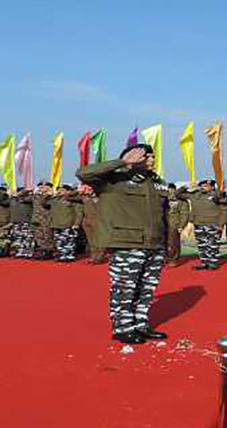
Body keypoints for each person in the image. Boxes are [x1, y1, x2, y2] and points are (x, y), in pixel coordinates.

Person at [76, 144, 169, 345]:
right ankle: (122, 328)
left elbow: (164, 215)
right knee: (125, 288)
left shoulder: (157, 183)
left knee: (146, 289)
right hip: (127, 243)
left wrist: (166, 243)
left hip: (154, 244)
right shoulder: (113, 180)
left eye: (152, 156)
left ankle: (140, 324)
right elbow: (83, 173)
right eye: (145, 156)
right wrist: (123, 162)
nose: (151, 160)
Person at [177, 180, 227, 271]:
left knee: (212, 245)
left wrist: (221, 224)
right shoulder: (195, 194)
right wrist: (186, 186)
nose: (203, 187)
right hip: (198, 223)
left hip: (212, 224)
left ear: (212, 187)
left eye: (206, 186)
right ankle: (204, 263)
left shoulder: (216, 195)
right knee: (202, 245)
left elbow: (224, 210)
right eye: (202, 186)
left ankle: (213, 263)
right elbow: (178, 194)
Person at [47, 185, 84, 262]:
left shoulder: (73, 200)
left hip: (68, 224)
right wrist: (47, 194)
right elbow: (43, 203)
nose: (60, 191)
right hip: (56, 224)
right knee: (59, 241)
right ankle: (62, 255)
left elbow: (79, 213)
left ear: (68, 191)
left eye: (62, 190)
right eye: (59, 190)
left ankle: (69, 256)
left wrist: (77, 224)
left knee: (69, 241)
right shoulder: (54, 200)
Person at [79, 185, 106, 264]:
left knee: (99, 240)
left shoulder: (101, 197)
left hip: (98, 221)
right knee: (90, 240)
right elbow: (69, 196)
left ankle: (100, 256)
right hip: (87, 221)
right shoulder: (85, 198)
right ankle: (93, 256)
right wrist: (80, 190)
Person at [166, 183, 190, 267]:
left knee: (173, 243)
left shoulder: (181, 201)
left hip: (174, 224)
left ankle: (173, 259)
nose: (170, 191)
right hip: (162, 224)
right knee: (162, 243)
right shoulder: (164, 198)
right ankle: (164, 258)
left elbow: (184, 214)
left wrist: (181, 226)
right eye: (168, 189)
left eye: (171, 189)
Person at [32, 182, 55, 260]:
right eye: (40, 187)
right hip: (37, 218)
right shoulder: (36, 196)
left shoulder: (51, 197)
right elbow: (22, 199)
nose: (41, 188)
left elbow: (44, 204)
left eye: (43, 187)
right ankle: (42, 250)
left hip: (47, 219)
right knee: (39, 236)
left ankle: (49, 251)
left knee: (47, 235)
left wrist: (46, 195)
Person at [9, 188, 35, 258]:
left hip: (26, 221)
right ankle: (20, 251)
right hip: (16, 222)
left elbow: (32, 197)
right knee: (18, 238)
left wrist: (26, 191)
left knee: (27, 238)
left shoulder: (29, 199)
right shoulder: (13, 200)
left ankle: (28, 252)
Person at [0, 186, 11, 257]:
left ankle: (4, 251)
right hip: (3, 221)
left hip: (5, 223)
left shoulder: (8, 201)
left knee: (4, 238)